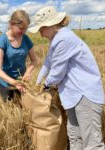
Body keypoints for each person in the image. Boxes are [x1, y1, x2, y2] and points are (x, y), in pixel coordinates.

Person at [29, 6, 105, 150]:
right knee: (75, 137)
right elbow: (48, 62)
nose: (40, 34)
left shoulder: (64, 39)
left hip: (84, 95)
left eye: (41, 29)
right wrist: (37, 82)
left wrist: (44, 86)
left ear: (50, 25)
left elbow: (57, 72)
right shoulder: (56, 39)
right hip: (73, 96)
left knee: (92, 144)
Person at [0, 9, 37, 101]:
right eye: (21, 28)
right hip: (5, 82)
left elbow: (34, 60)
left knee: (24, 107)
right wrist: (14, 83)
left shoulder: (26, 39)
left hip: (22, 81)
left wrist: (28, 72)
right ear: (11, 24)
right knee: (9, 109)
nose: (23, 31)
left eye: (25, 29)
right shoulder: (2, 40)